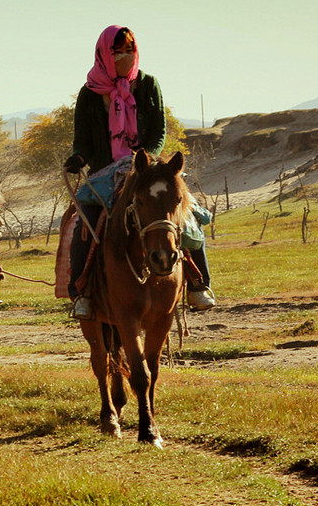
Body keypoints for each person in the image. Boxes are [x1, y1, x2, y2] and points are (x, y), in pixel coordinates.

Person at [62, 25, 215, 319]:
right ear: (104, 54)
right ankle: (82, 291)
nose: (125, 56)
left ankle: (199, 283)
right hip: (105, 173)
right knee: (85, 226)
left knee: (188, 216)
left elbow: (159, 129)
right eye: (118, 51)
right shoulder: (89, 93)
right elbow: (82, 138)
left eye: (129, 50)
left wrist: (146, 156)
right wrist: (78, 158)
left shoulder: (148, 84)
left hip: (147, 167)